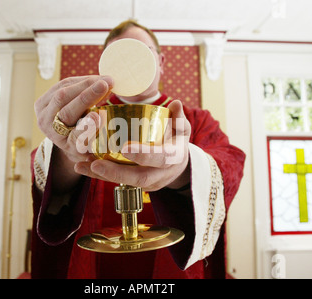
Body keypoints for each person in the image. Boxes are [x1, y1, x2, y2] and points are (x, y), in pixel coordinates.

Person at [31, 20, 245, 279]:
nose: (130, 63)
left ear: (161, 62)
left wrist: (183, 170)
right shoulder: (84, 118)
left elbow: (230, 161)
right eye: (120, 55)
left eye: (141, 52)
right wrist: (66, 156)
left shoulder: (193, 120)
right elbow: (43, 170)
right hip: (94, 266)